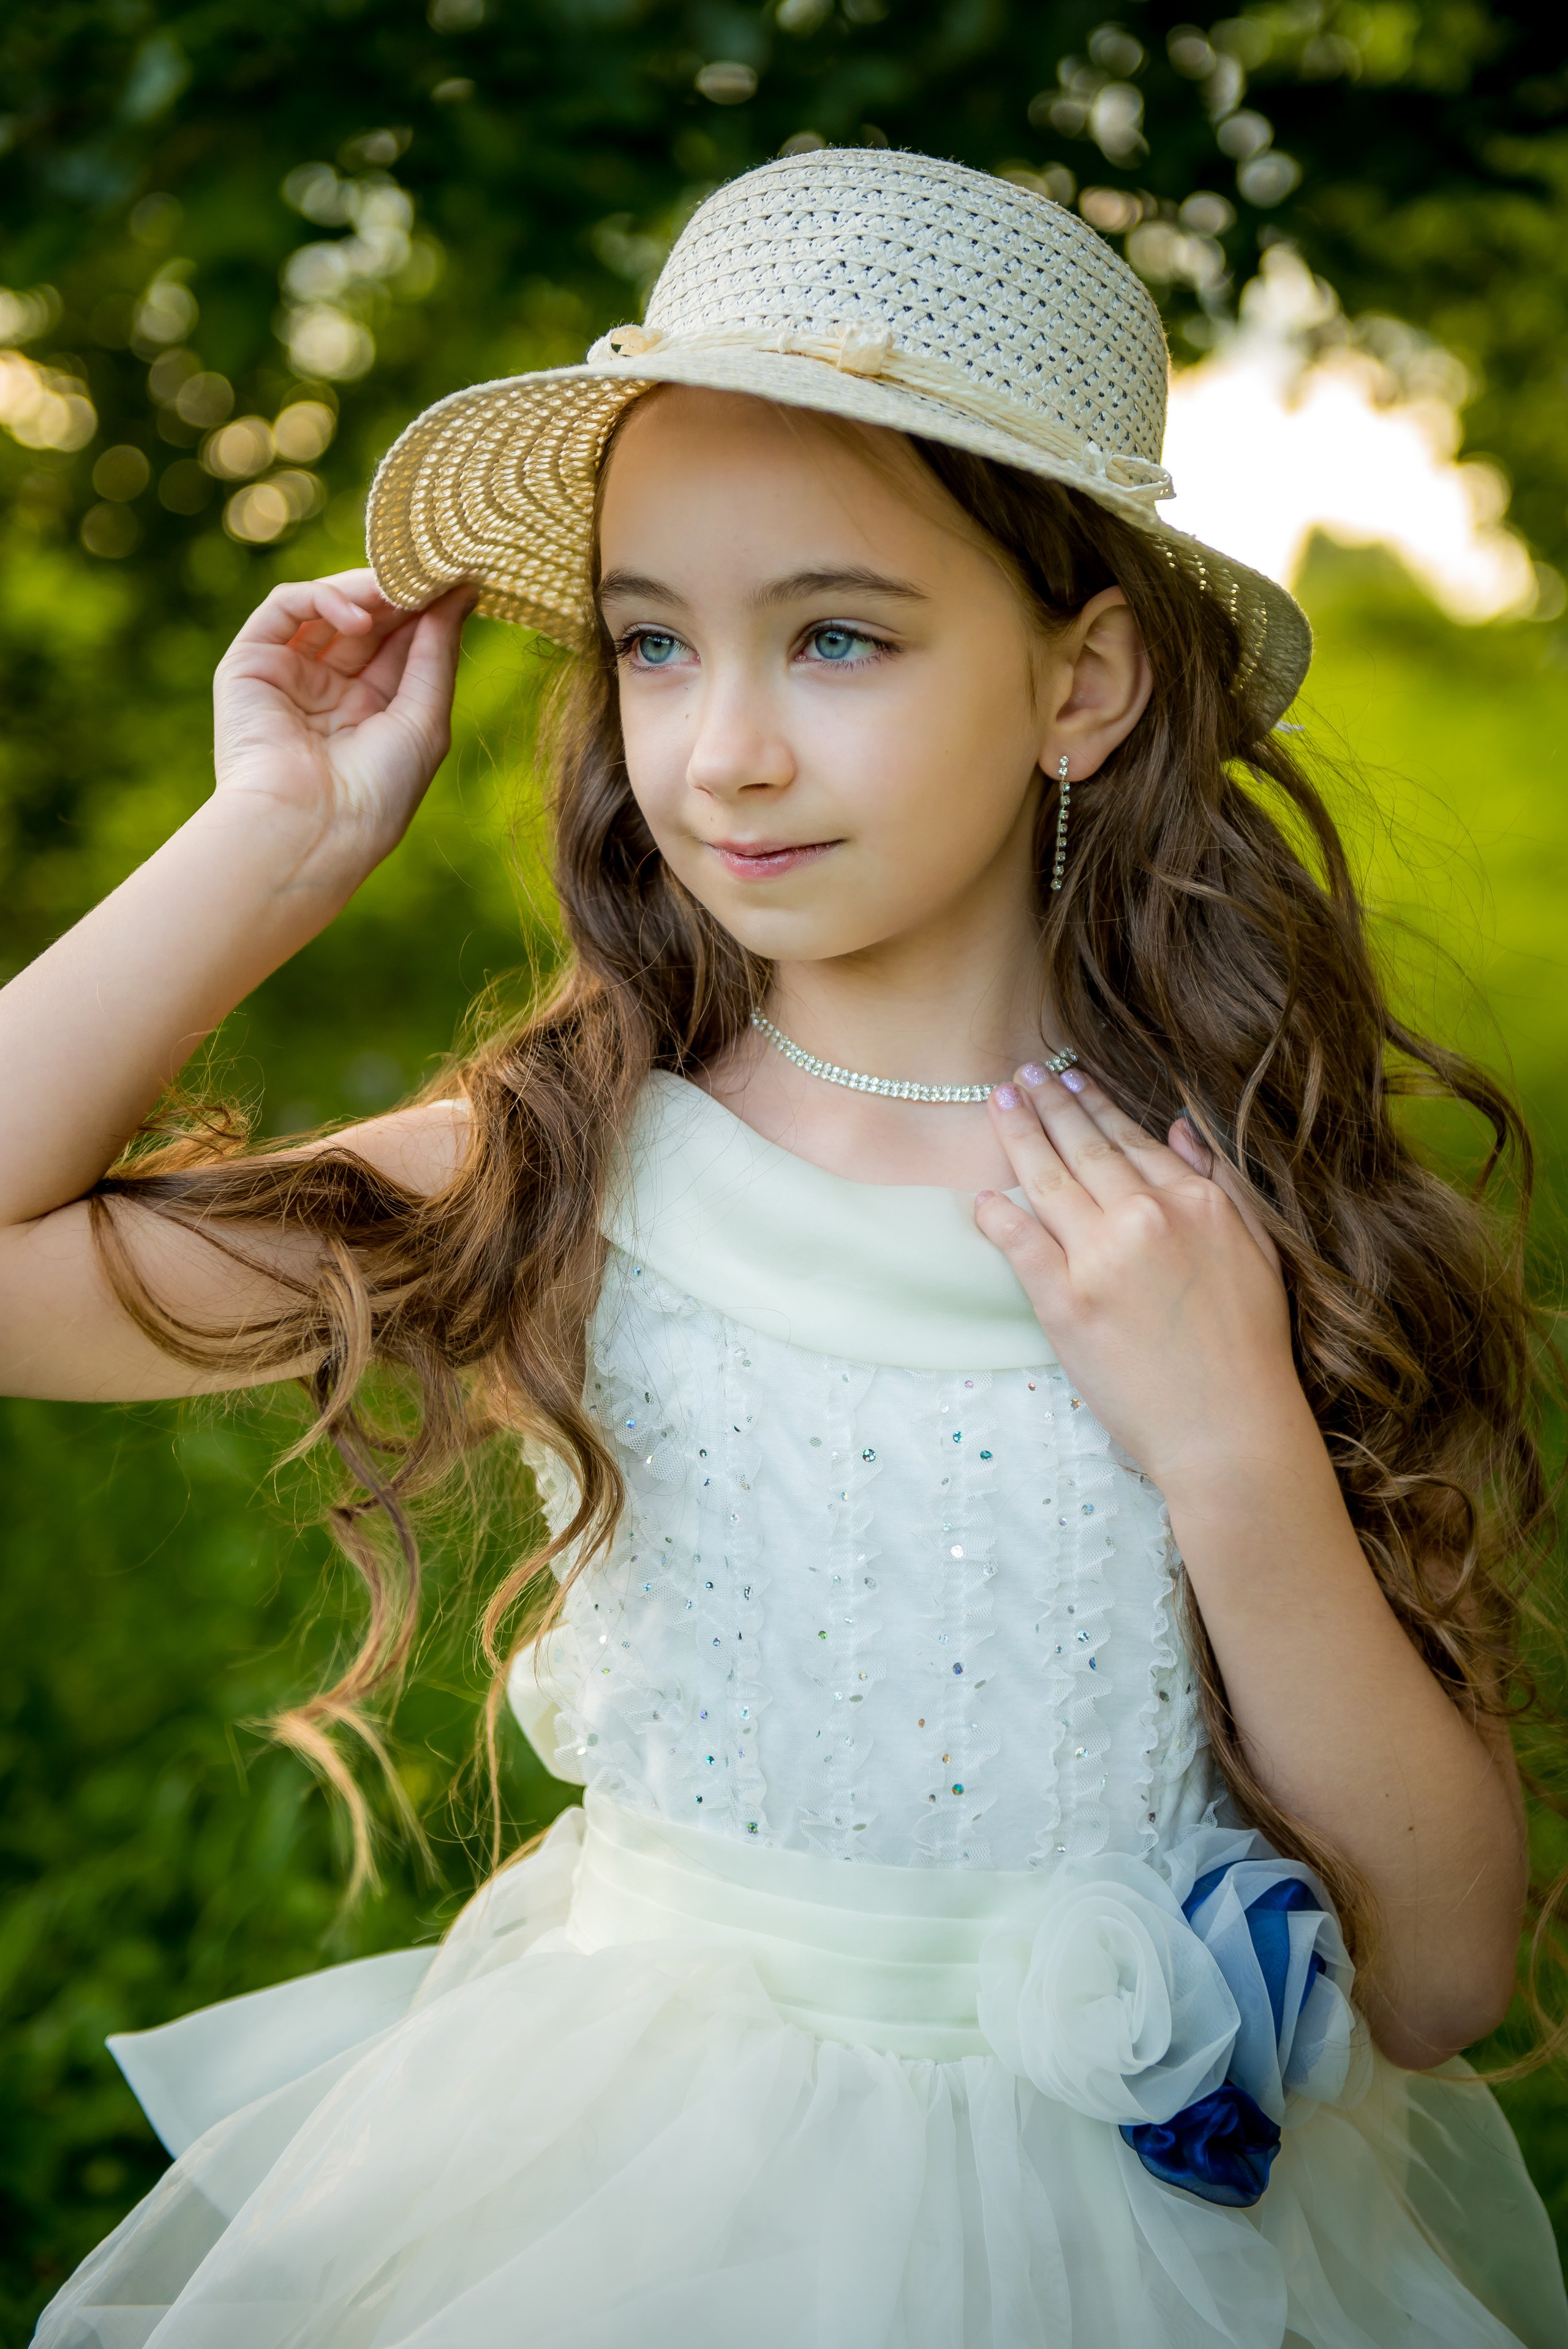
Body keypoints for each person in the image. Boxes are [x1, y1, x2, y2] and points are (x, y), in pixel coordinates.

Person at [10, 147, 1566, 2348]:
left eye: (837, 634)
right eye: (656, 641)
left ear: (1085, 681)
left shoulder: (1232, 1205)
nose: (721, 747)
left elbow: (1439, 1970)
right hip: (643, 2199)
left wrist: (1234, 1450)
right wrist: (270, 846)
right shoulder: (566, 1160)